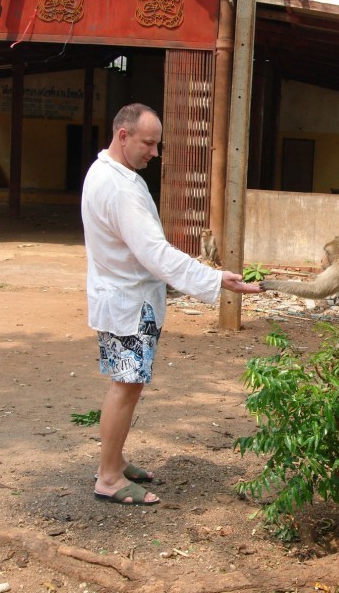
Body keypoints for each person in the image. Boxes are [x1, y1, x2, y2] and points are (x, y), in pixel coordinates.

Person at [82, 103, 262, 506]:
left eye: (157, 144)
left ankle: (113, 460)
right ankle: (108, 477)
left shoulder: (106, 171)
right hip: (128, 303)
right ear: (123, 135)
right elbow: (156, 254)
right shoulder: (120, 187)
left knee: (123, 384)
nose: (154, 152)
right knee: (126, 387)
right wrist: (214, 278)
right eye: (148, 143)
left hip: (118, 297)